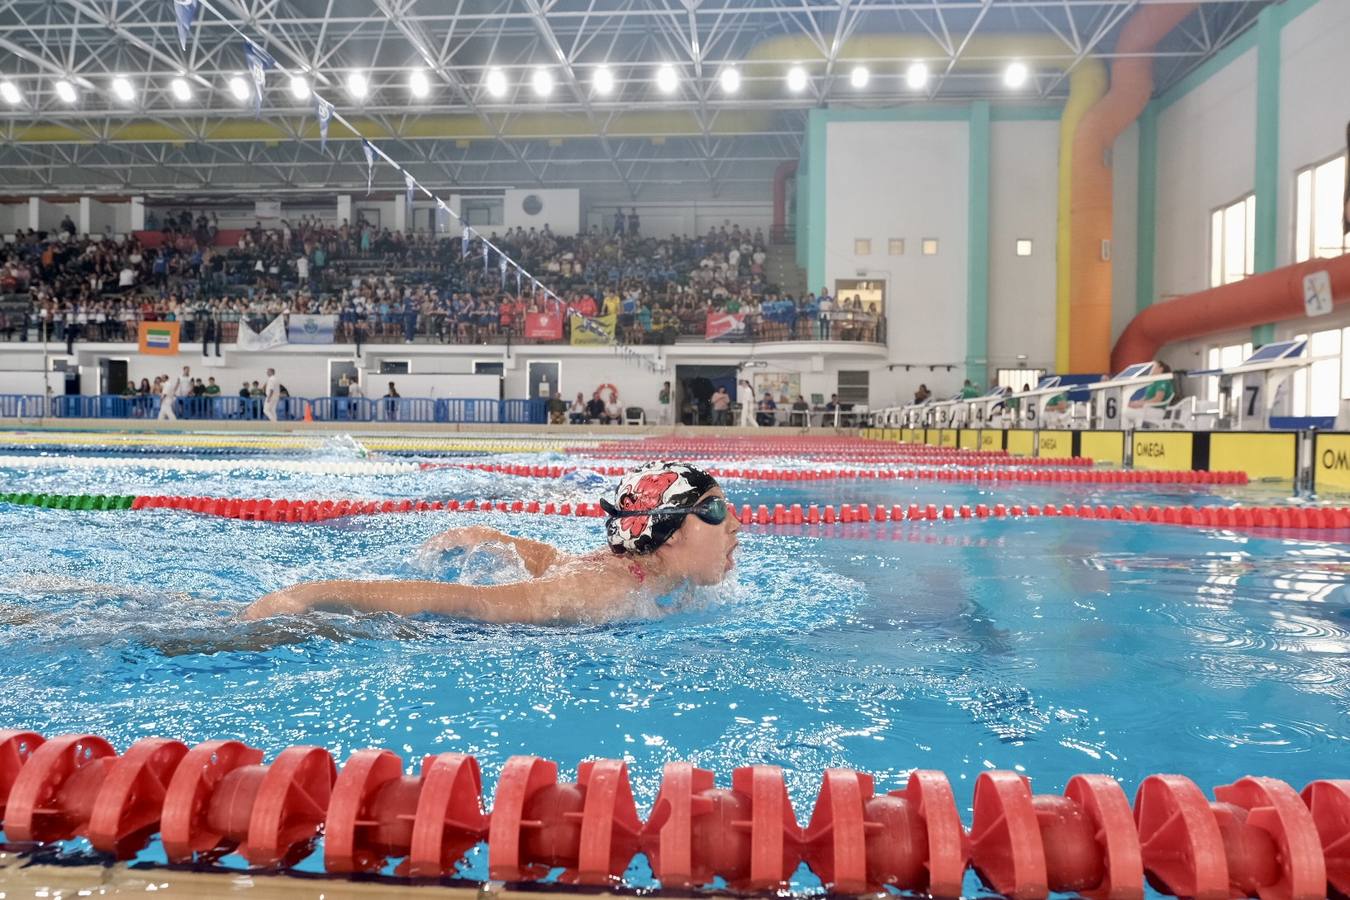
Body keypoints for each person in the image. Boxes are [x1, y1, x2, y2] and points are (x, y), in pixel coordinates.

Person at [242, 462, 740, 624]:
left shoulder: (635, 577)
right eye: (715, 510)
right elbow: (465, 601)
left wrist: (499, 539)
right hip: (426, 639)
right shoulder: (604, 594)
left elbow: (557, 559)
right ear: (667, 533)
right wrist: (314, 593)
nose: (736, 524)